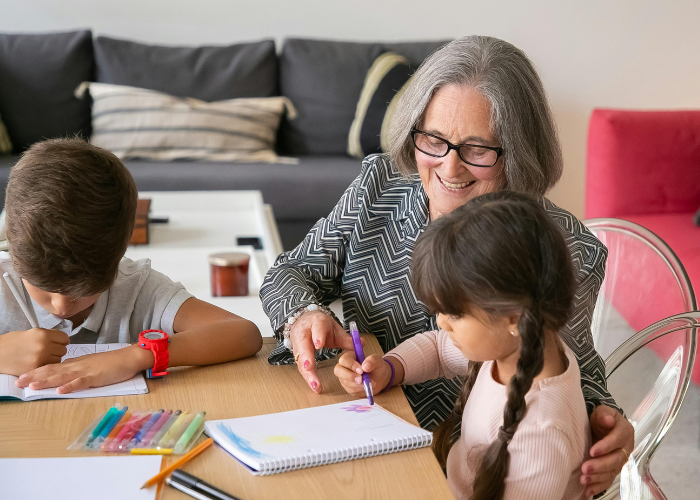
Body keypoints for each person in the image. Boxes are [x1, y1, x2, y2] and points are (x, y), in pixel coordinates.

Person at [260, 36, 633, 496]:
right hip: (356, 428)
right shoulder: (379, 186)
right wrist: (305, 315)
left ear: (519, 151)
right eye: (434, 140)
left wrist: (609, 423)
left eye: (477, 150)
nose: (449, 169)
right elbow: (287, 274)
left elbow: (572, 369)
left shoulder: (562, 247)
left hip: (470, 472)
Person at [336, 191, 590, 500]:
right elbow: (439, 348)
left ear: (512, 317)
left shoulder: (540, 434)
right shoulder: (523, 345)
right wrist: (390, 369)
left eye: (454, 314)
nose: (441, 322)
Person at [0, 138, 263, 393]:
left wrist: (135, 356)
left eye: (80, 292)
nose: (60, 306)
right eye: (43, 286)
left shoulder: (138, 289)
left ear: (120, 252)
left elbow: (244, 333)